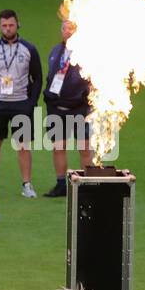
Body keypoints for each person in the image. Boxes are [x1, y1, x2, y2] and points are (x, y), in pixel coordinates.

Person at [0, 9, 42, 200]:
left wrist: (31, 103)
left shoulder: (29, 49)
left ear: (17, 24)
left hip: (21, 103)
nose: (7, 29)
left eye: (11, 25)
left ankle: (27, 184)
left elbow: (37, 78)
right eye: (4, 25)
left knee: (23, 145)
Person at [43, 18, 92, 196]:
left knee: (84, 147)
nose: (67, 31)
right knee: (58, 146)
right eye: (65, 28)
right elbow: (51, 75)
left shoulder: (86, 52)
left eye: (71, 29)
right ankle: (61, 184)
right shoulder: (56, 51)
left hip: (80, 108)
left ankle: (87, 185)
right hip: (57, 107)